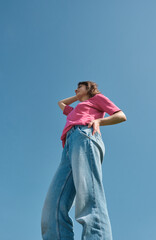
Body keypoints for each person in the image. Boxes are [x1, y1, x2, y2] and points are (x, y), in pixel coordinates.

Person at [41, 81, 127, 240]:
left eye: (79, 86)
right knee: (52, 208)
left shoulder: (97, 99)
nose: (76, 88)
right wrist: (78, 95)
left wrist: (100, 121)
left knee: (89, 199)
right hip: (68, 147)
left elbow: (121, 116)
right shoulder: (74, 110)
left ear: (89, 88)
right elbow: (60, 103)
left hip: (84, 137)